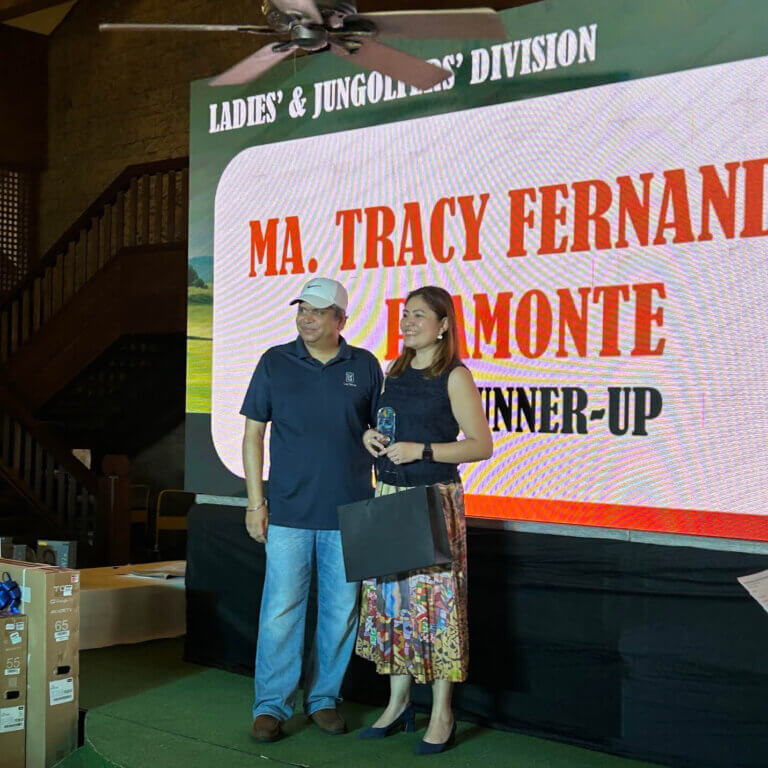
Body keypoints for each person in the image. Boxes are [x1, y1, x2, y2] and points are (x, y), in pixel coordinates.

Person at [240, 277, 383, 742]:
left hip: (351, 511)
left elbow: (378, 430)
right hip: (287, 511)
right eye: (302, 308)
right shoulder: (274, 362)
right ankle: (271, 706)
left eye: (317, 311)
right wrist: (255, 502)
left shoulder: (364, 365)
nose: (306, 317)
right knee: (281, 611)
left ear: (341, 318)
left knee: (341, 612)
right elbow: (253, 436)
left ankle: (324, 699)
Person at [356, 285, 493, 755]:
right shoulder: (390, 372)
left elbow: (480, 445)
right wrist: (370, 438)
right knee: (392, 606)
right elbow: (383, 426)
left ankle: (441, 713)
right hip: (389, 495)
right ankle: (397, 705)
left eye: (419, 315)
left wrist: (423, 451)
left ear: (444, 324)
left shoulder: (454, 375)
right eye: (404, 314)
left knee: (434, 610)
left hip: (432, 500)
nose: (408, 322)